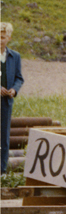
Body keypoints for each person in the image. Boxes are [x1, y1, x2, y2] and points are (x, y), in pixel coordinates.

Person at [1, 22, 25, 174]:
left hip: (5, 103)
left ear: (9, 38)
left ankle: (2, 171)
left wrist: (14, 91)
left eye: (3, 37)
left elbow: (19, 78)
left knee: (4, 137)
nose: (0, 40)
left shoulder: (14, 56)